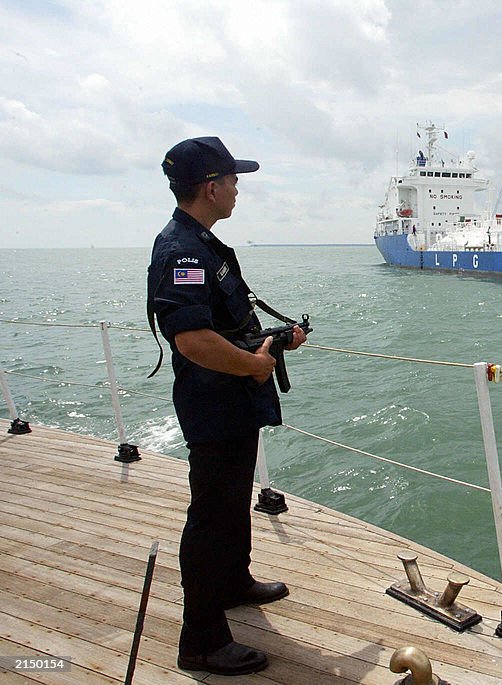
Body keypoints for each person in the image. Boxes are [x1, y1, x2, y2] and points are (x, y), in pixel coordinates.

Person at [147, 137, 306, 676]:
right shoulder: (184, 252)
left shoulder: (202, 245)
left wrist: (272, 341)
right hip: (214, 404)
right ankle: (202, 640)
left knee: (232, 500)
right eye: (233, 180)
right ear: (211, 187)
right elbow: (191, 339)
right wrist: (255, 367)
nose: (238, 188)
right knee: (211, 515)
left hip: (230, 401)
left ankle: (233, 582)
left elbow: (223, 325)